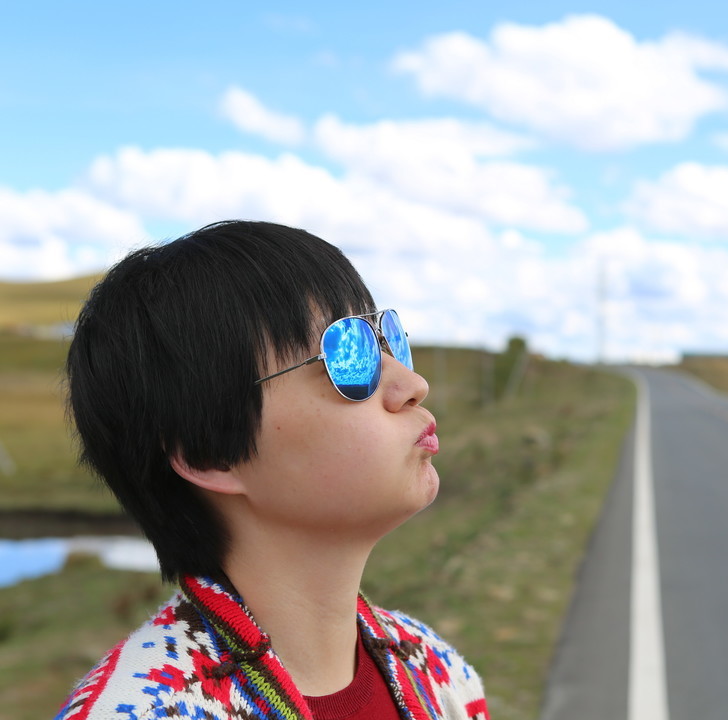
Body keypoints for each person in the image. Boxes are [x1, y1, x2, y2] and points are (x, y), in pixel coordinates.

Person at [54, 221, 488, 720]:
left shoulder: (438, 670)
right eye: (349, 356)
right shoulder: (143, 710)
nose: (413, 384)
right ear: (209, 455)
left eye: (389, 341)